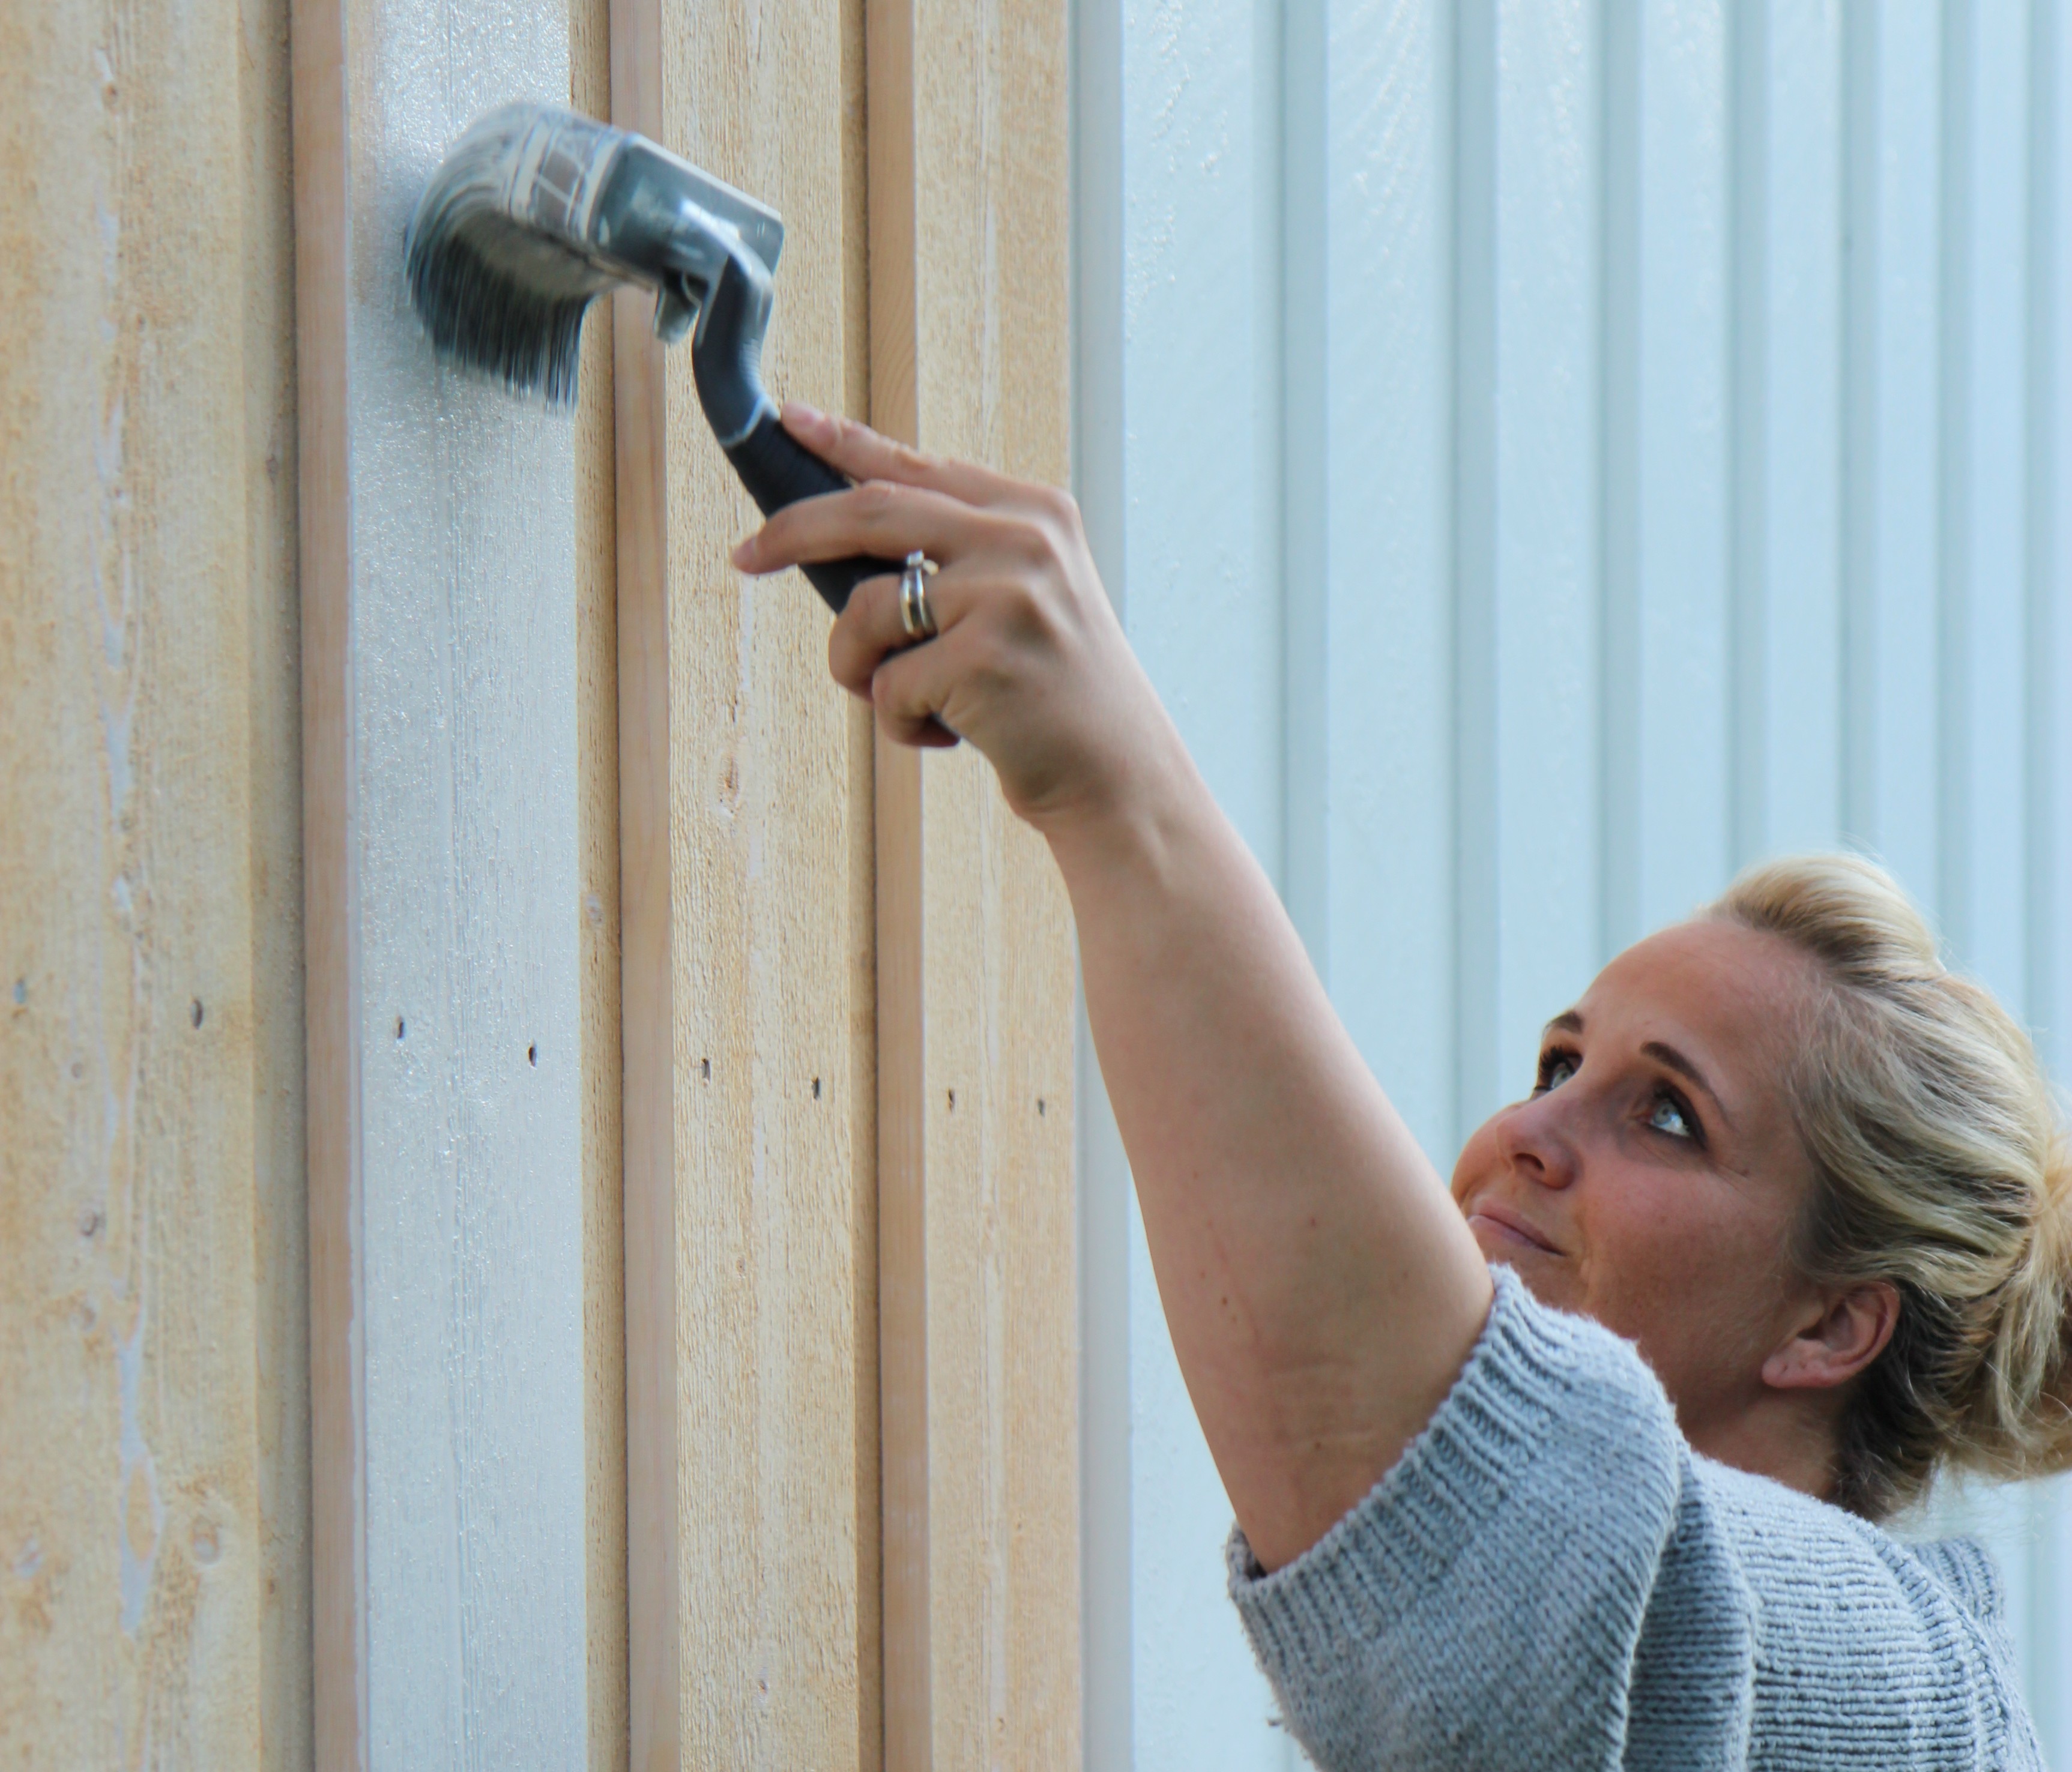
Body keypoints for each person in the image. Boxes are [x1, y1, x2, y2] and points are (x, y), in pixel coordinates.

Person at [732, 402, 2072, 1769]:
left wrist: (1110, 781)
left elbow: (1534, 1542)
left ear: (1830, 1325)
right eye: (1559, 1063)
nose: (1527, 1132)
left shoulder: (1922, 1702)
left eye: (1666, 1114)